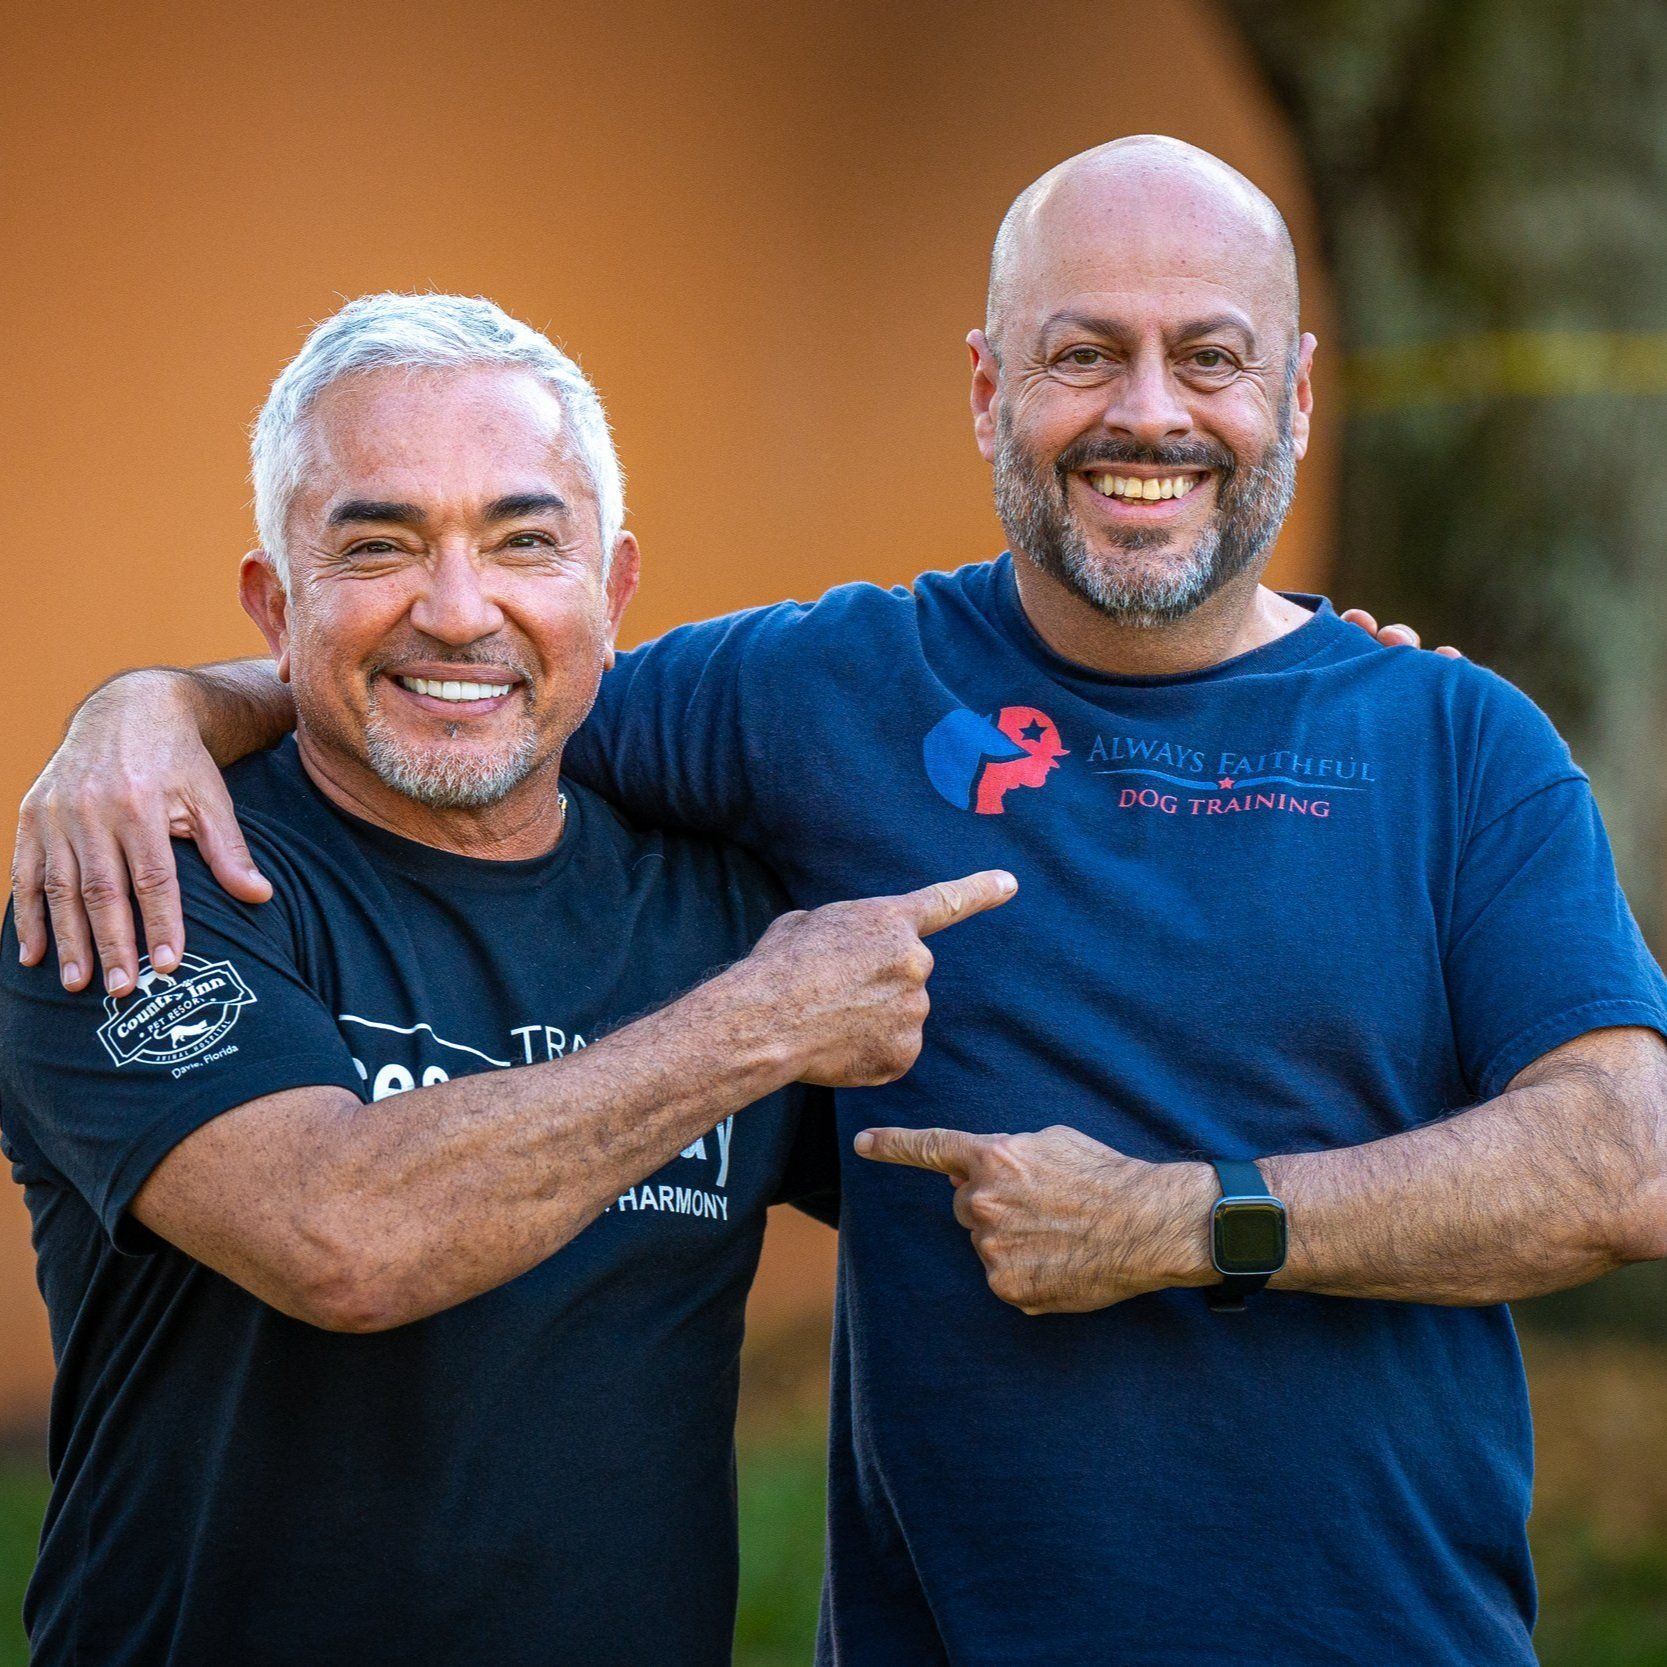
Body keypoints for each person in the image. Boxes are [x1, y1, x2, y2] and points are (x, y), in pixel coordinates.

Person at [17, 137, 1667, 1664]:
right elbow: (486, 680)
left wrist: (1189, 1221)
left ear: (1298, 391)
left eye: (1211, 356)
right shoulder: (814, 693)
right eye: (1082, 353)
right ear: (987, 387)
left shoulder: (1455, 740)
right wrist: (151, 706)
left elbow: (1624, 1162)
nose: (1148, 414)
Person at [0, 293, 1015, 1667]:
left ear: (614, 590)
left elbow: (1017, 1196)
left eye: (525, 540)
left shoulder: (718, 903)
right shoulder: (136, 882)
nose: (460, 609)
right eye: (380, 546)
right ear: (271, 599)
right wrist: (753, 1030)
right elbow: (338, 1235)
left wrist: (1298, 679)